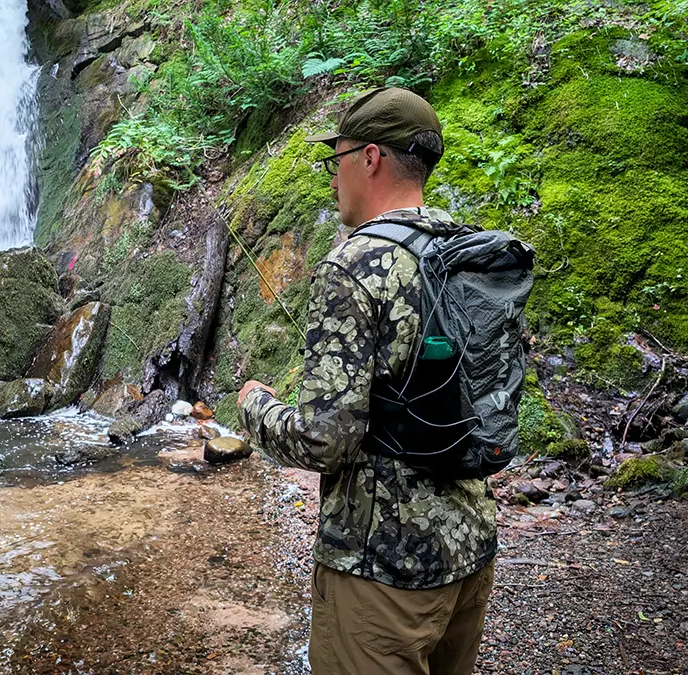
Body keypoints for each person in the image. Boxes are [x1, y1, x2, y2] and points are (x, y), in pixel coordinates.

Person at [236, 88, 497, 675]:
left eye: (338, 160)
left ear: (371, 158)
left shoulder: (353, 265)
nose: (334, 179)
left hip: (382, 568)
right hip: (470, 547)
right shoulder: (466, 251)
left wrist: (255, 408)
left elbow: (324, 440)